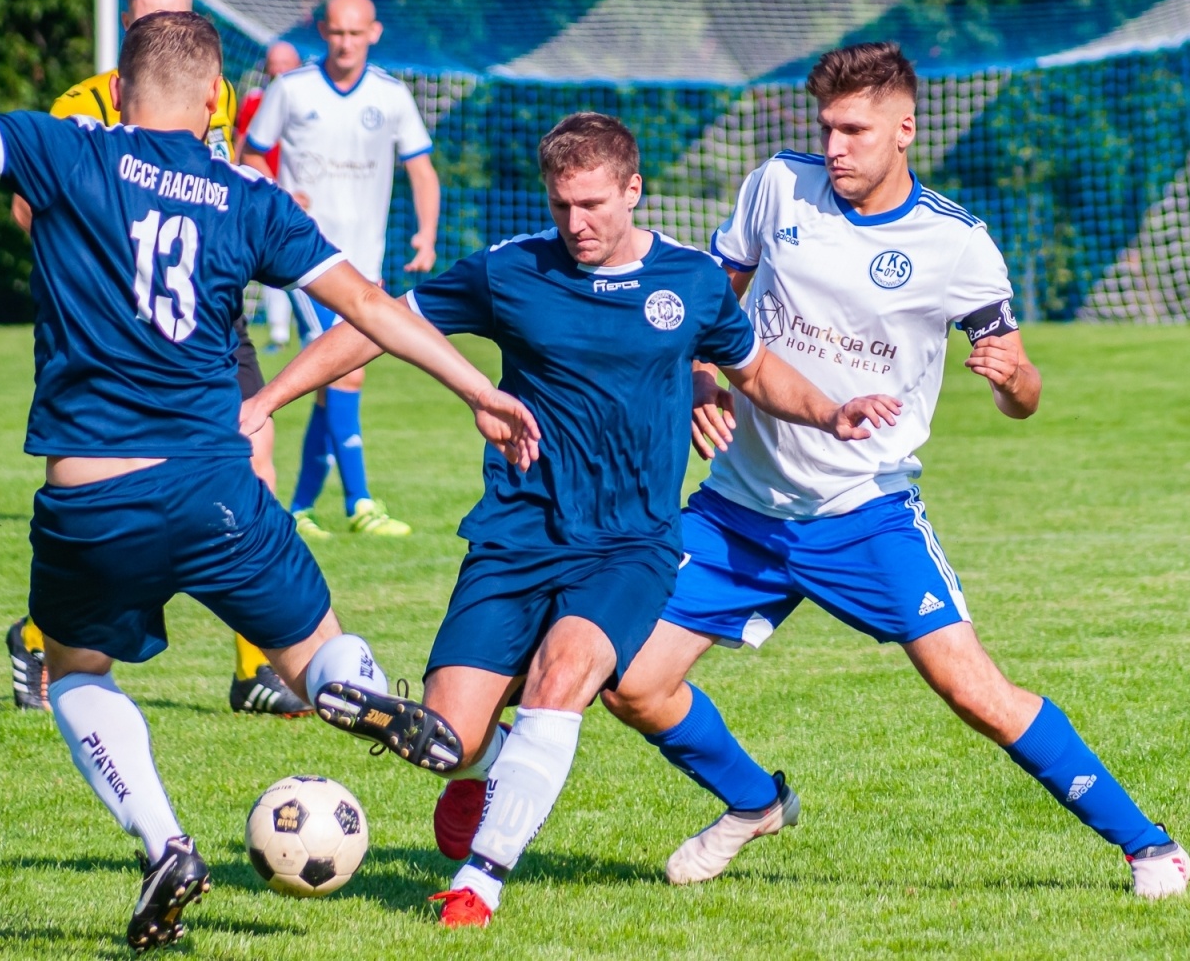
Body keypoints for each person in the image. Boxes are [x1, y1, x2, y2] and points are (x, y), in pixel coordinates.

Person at [0, 11, 538, 951]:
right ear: (218, 101)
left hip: (92, 499)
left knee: (73, 674)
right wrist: (478, 387)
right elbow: (372, 307)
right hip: (216, 487)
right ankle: (350, 691)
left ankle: (164, 846)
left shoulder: (65, 150)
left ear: (119, 85)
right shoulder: (248, 197)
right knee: (312, 653)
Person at [242, 112, 901, 928]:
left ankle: (479, 885)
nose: (576, 225)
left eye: (592, 204)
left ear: (633, 190)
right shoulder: (510, 272)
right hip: (515, 536)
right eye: (561, 207)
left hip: (630, 543)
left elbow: (755, 368)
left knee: (568, 667)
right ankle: (479, 768)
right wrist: (266, 398)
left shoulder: (690, 282)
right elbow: (377, 319)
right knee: (443, 736)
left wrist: (832, 413)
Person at [583, 43, 1190, 899]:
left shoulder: (955, 245)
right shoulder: (776, 188)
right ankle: (755, 804)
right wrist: (700, 380)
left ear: (904, 130)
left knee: (974, 692)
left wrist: (1015, 381)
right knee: (632, 683)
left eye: (856, 131)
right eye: (827, 128)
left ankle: (1149, 846)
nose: (836, 147)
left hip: (861, 510)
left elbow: (1024, 389)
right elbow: (708, 304)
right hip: (738, 510)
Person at [3, 0, 309, 720]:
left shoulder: (218, 88)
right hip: (121, 316)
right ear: (127, 23)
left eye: (173, 13)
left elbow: (214, 174)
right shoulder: (84, 102)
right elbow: (31, 202)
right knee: (137, 492)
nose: (159, 27)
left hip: (206, 307)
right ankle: (41, 637)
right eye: (145, 19)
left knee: (254, 458)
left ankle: (257, 669)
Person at [242, 0, 440, 540]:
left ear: (373, 33)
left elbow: (422, 170)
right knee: (346, 369)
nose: (346, 42)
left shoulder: (393, 96)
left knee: (335, 378)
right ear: (322, 32)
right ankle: (360, 503)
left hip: (364, 263)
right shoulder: (291, 88)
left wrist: (426, 234)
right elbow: (251, 154)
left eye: (356, 33)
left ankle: (301, 509)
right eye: (336, 32)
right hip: (302, 258)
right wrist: (279, 192)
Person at [235, 41, 302, 352]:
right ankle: (278, 332)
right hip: (266, 191)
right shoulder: (253, 100)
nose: (277, 69)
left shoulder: (306, 99)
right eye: (273, 62)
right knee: (272, 260)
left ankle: (320, 328)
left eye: (284, 62)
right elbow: (242, 142)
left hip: (304, 193)